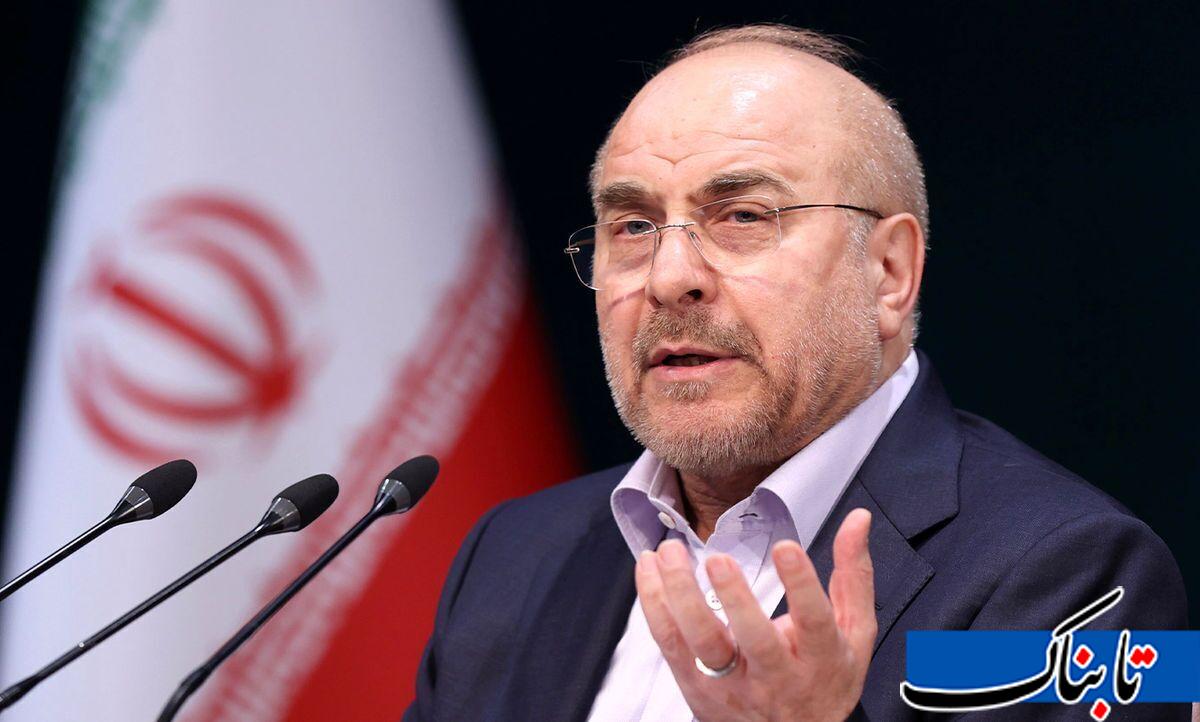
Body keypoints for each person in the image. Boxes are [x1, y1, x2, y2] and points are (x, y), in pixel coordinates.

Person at [404, 24, 1188, 721]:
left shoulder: (1082, 573)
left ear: (889, 272)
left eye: (743, 216)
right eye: (634, 226)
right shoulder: (510, 553)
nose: (669, 277)